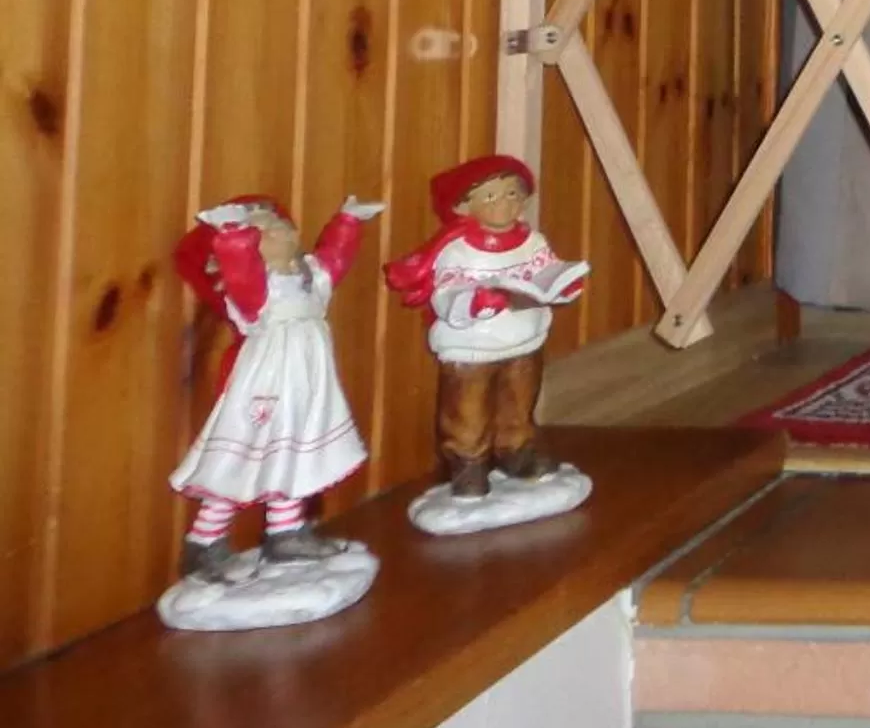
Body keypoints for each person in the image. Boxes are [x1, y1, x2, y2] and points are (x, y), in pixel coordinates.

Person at [169, 194, 384, 580]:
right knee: (244, 457)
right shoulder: (257, 291)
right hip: (268, 384)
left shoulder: (308, 277)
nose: (280, 232)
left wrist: (348, 222)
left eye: (281, 224)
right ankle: (204, 542)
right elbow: (242, 275)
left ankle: (285, 533)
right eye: (263, 230)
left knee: (294, 457)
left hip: (308, 385)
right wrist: (233, 237)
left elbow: (335, 259)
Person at [383, 155, 586, 499]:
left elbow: (547, 271)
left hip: (523, 339)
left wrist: (561, 285)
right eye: (490, 197)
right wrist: (474, 302)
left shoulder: (532, 242)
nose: (504, 204)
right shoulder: (458, 250)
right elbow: (446, 293)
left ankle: (516, 450)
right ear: (464, 207)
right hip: (473, 347)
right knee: (468, 409)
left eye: (512, 194)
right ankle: (468, 464)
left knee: (519, 400)